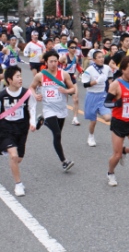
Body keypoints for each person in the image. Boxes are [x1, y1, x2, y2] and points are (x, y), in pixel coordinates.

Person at [30, 50, 75, 172]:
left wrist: (66, 91)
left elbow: (73, 89)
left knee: (58, 136)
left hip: (61, 108)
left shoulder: (64, 74)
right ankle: (64, 162)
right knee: (57, 134)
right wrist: (35, 95)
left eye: (55, 61)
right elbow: (31, 88)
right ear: (46, 62)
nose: (54, 64)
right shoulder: (40, 75)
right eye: (51, 61)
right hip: (48, 108)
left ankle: (43, 121)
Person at [104, 56, 129, 186]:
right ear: (123, 69)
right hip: (119, 123)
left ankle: (125, 150)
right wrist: (117, 103)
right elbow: (106, 103)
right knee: (116, 156)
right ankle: (110, 173)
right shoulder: (116, 84)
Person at [0, 66, 36, 196]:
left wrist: (32, 123)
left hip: (21, 128)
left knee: (18, 158)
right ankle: (18, 184)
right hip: (5, 128)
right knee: (14, 156)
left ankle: (8, 151)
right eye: (17, 76)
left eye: (20, 75)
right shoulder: (2, 95)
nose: (20, 78)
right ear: (9, 79)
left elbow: (32, 108)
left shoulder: (27, 94)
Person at [82, 50, 113, 147]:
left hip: (102, 95)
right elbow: (85, 84)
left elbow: (110, 77)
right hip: (91, 95)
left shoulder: (107, 68)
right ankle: (91, 136)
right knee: (93, 121)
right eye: (99, 57)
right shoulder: (89, 70)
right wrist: (96, 81)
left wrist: (111, 87)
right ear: (94, 59)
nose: (101, 59)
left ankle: (101, 111)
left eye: (102, 57)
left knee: (108, 118)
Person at [59, 40, 83, 126]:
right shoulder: (64, 57)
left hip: (72, 79)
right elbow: (56, 65)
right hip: (64, 79)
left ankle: (75, 118)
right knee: (64, 100)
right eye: (72, 47)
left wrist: (80, 71)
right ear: (68, 48)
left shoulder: (76, 58)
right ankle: (60, 115)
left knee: (76, 99)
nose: (74, 49)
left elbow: (77, 66)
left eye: (75, 47)